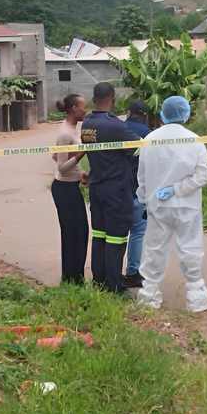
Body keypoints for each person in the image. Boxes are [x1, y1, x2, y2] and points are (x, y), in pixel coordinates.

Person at [135, 96, 207, 312]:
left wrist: (145, 198)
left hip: (157, 206)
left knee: (154, 248)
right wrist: (179, 189)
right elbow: (203, 174)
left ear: (163, 114)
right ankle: (196, 296)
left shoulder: (149, 139)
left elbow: (141, 176)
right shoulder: (194, 140)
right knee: (191, 248)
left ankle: (148, 294)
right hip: (187, 205)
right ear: (185, 114)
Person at [77, 82, 140, 293]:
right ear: (112, 97)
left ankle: (100, 281)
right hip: (116, 189)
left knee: (100, 237)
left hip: (97, 187)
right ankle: (115, 287)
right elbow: (137, 149)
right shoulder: (115, 125)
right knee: (117, 238)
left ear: (94, 99)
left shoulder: (87, 123)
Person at [50, 94, 90, 285]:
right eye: (83, 107)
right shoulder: (65, 132)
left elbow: (56, 156)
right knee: (73, 234)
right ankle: (71, 278)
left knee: (81, 233)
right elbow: (61, 167)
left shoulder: (74, 129)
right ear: (74, 108)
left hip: (71, 185)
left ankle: (76, 276)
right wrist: (84, 151)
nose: (85, 110)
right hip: (64, 189)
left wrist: (80, 173)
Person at [122, 99, 152, 289]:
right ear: (145, 116)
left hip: (118, 190)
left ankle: (112, 271)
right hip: (139, 192)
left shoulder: (119, 129)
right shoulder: (150, 136)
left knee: (116, 233)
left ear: (128, 113)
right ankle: (133, 271)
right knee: (137, 233)